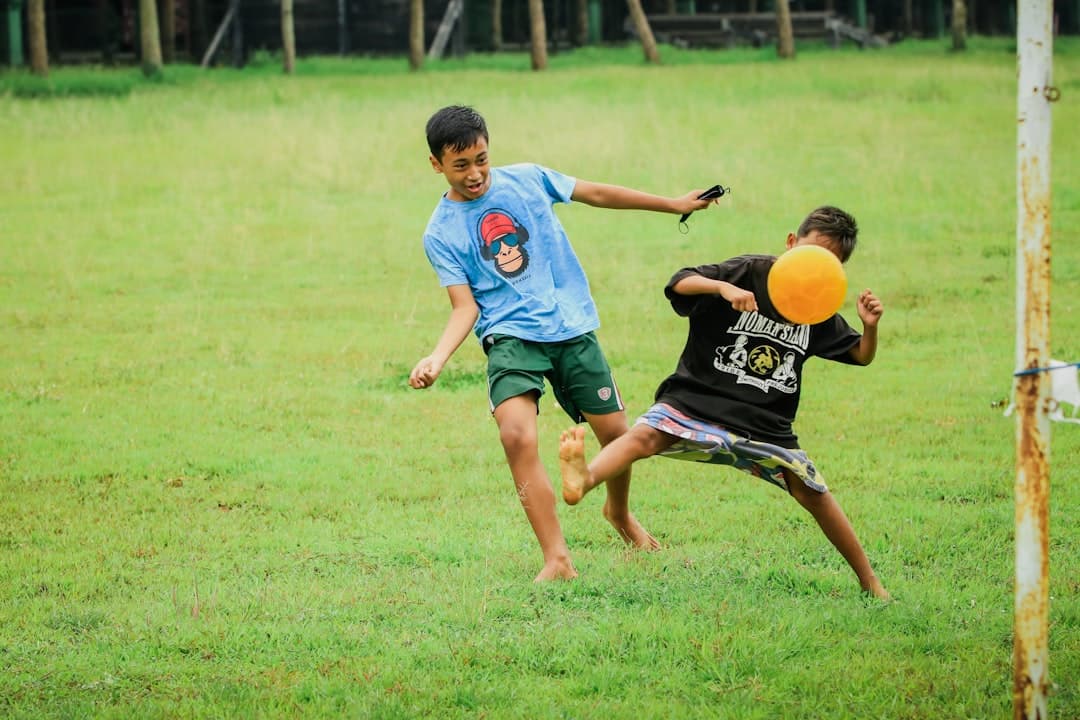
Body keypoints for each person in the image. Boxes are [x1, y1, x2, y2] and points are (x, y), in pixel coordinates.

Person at [408, 105, 721, 582]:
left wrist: (673, 204)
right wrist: (437, 356)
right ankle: (557, 558)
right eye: (461, 166)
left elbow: (596, 192)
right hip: (510, 336)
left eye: (481, 160)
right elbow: (464, 307)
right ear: (437, 166)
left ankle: (618, 514)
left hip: (571, 327)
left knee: (617, 437)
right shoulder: (441, 232)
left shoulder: (530, 179)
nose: (475, 174)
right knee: (516, 435)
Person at [558, 206, 890, 598]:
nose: (815, 268)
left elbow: (859, 354)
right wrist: (722, 288)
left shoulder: (816, 305)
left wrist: (870, 328)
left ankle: (872, 584)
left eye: (829, 263)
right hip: (697, 399)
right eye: (811, 254)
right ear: (791, 243)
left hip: (764, 422)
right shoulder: (749, 271)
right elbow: (680, 282)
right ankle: (585, 478)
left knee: (812, 492)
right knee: (644, 436)